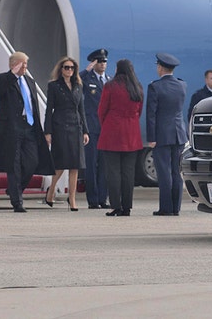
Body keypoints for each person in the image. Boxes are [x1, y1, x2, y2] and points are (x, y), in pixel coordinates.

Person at [0, 52, 54, 213]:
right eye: (22, 64)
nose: (25, 68)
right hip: (11, 128)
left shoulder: (29, 81)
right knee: (13, 165)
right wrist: (12, 75)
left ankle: (14, 189)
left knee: (32, 162)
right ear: (14, 64)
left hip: (29, 126)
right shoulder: (3, 79)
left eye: (26, 65)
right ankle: (17, 202)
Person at [97, 59, 144, 217]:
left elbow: (102, 110)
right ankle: (127, 207)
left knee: (113, 172)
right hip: (132, 134)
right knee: (128, 173)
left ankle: (115, 205)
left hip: (112, 133)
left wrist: (107, 125)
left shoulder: (110, 86)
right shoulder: (137, 87)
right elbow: (139, 111)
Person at [44, 56, 89, 211]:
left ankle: (72, 198)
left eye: (71, 68)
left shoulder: (78, 86)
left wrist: (85, 131)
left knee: (75, 165)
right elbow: (49, 110)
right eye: (66, 67)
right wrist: (48, 131)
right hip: (60, 126)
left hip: (76, 126)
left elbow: (81, 109)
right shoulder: (54, 86)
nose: (69, 70)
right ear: (61, 69)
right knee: (61, 164)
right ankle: (51, 190)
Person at [146, 53, 187, 217]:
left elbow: (151, 114)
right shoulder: (182, 85)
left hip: (162, 134)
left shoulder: (155, 87)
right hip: (179, 133)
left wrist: (151, 138)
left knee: (164, 172)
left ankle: (166, 207)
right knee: (176, 172)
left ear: (160, 67)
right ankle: (176, 207)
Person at [79, 48, 110, 209]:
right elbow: (75, 81)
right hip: (91, 128)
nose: (103, 64)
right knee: (91, 164)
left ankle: (102, 198)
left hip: (106, 129)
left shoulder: (109, 80)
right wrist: (87, 70)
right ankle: (92, 200)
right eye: (99, 61)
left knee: (104, 165)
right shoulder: (88, 78)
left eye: (104, 61)